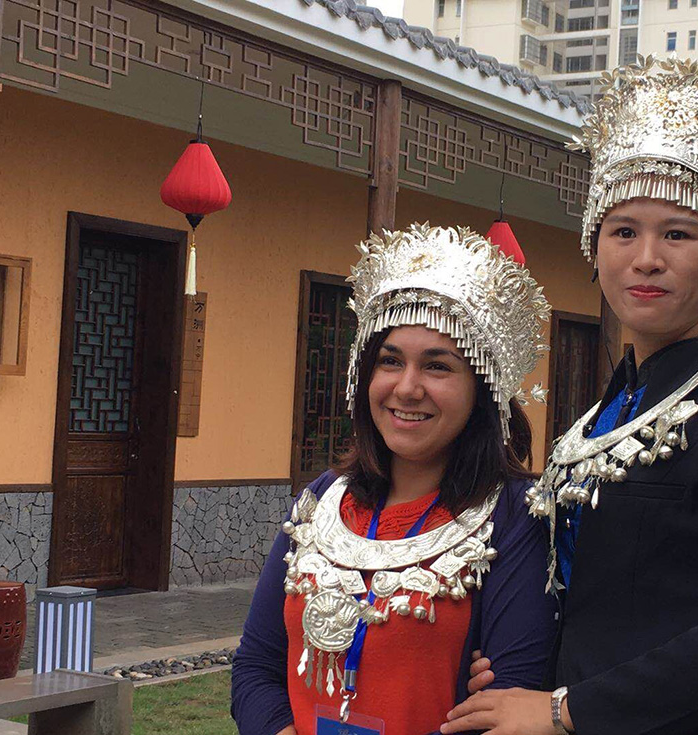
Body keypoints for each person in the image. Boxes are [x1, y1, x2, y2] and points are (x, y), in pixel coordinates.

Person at [442, 56, 698, 735]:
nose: (647, 257)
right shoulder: (591, 422)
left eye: (677, 232)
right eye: (623, 231)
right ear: (595, 250)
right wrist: (514, 670)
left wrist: (566, 710)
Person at [231, 223, 557, 735]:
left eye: (437, 367)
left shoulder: (515, 518)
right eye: (390, 361)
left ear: (483, 389)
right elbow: (255, 666)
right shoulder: (323, 498)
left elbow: (507, 705)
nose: (407, 388)